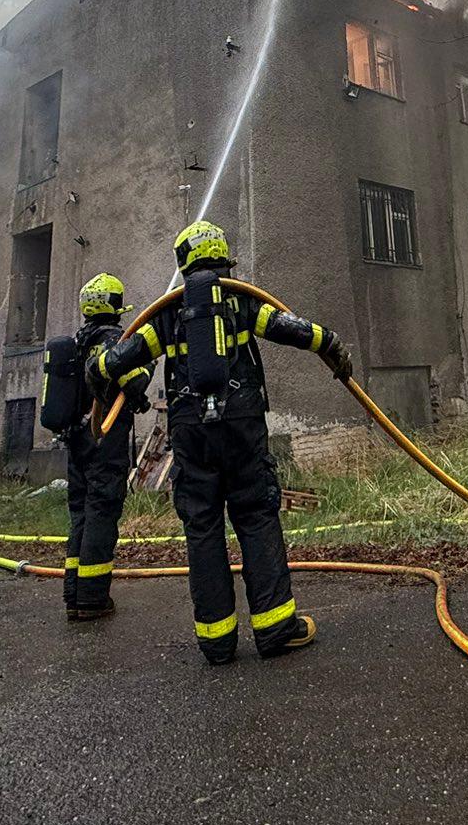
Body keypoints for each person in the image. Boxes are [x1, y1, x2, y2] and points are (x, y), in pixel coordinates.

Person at [92, 219, 352, 665]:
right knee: (255, 515)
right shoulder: (242, 302)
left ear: (183, 261)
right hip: (243, 427)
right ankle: (275, 629)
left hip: (191, 435)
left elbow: (114, 362)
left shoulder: (166, 315)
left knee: (203, 527)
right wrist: (331, 345)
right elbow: (294, 330)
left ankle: (216, 641)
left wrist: (98, 375)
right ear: (222, 256)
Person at [47, 272, 146, 622]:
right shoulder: (112, 339)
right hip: (104, 436)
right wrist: (143, 369)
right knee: (102, 511)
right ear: (114, 304)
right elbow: (131, 377)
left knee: (81, 514)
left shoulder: (77, 342)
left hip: (77, 440)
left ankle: (73, 595)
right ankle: (93, 598)